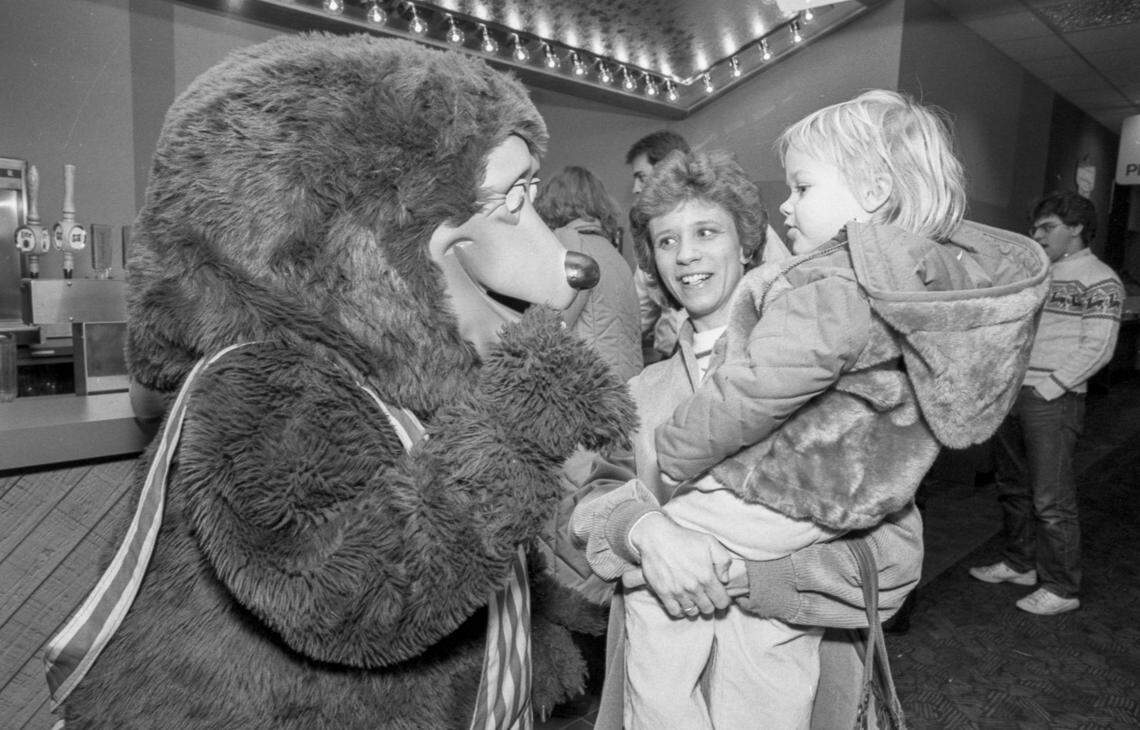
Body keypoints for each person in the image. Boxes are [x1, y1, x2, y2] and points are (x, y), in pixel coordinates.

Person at [574, 90, 1050, 730]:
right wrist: (646, 534)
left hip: (802, 692)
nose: (685, 255)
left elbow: (895, 567)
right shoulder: (638, 388)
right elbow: (585, 508)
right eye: (665, 241)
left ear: (749, 241)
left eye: (705, 231)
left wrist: (738, 574)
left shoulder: (843, 364)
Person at [970, 191, 1123, 615]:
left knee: (1051, 501)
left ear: (1075, 229)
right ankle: (1020, 564)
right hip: (1015, 394)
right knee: (1013, 488)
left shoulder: (1100, 279)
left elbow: (1099, 346)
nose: (1036, 236)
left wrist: (1050, 387)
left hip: (1051, 400)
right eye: (1036, 227)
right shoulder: (1038, 275)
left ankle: (1062, 587)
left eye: (1047, 227)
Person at [535, 166, 641, 384]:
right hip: (628, 385)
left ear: (553, 202)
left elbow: (552, 328)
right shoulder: (614, 255)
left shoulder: (569, 244)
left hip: (588, 387)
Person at [626, 130, 692, 365]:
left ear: (668, 168)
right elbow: (640, 310)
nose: (635, 188)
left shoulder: (729, 214)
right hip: (671, 358)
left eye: (641, 177)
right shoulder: (648, 237)